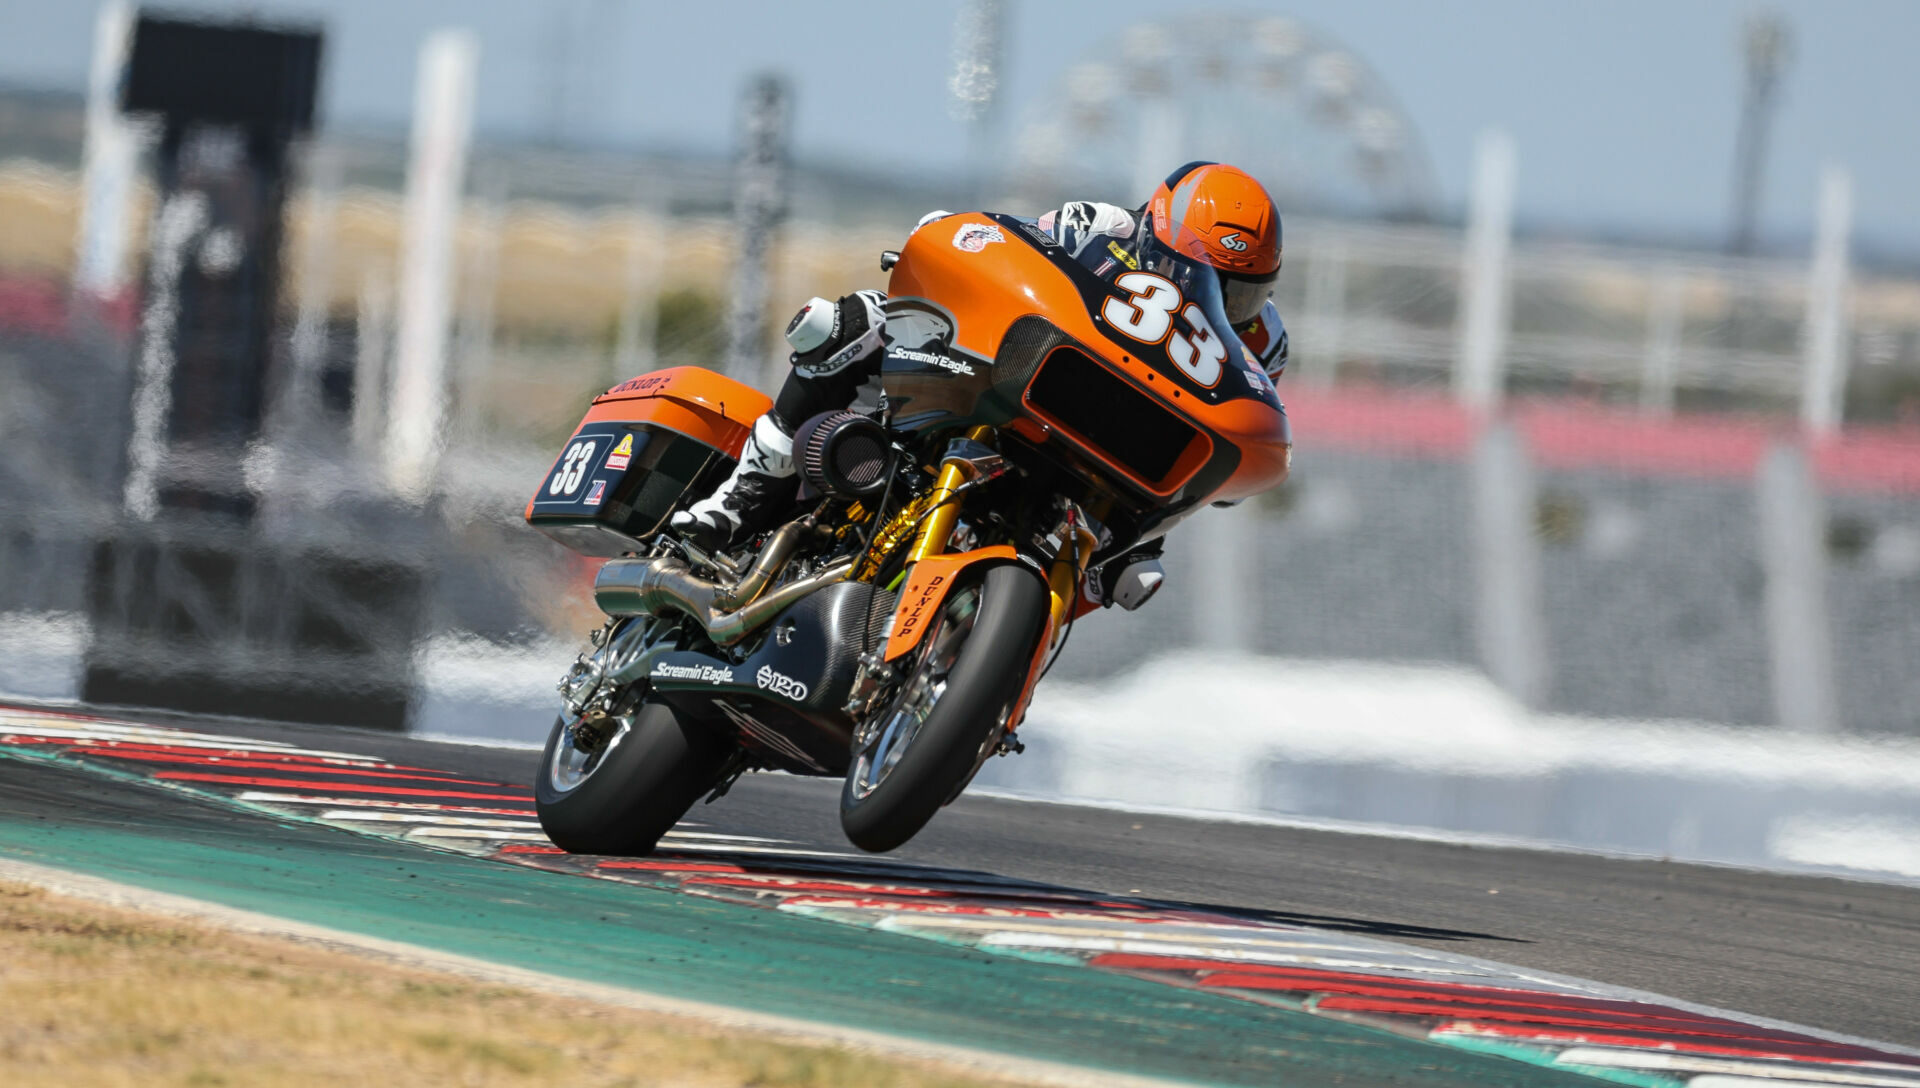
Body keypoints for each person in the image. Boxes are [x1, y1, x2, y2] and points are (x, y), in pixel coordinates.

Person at [672, 161, 1289, 606]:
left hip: (1122, 467)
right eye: (1207, 274)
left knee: (1129, 577)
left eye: (1245, 289)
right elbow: (1010, 259)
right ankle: (741, 497)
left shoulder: (1266, 343)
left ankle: (985, 654)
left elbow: (1230, 454)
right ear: (1156, 230)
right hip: (1016, 382)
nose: (1225, 302)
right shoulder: (1097, 228)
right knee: (845, 324)